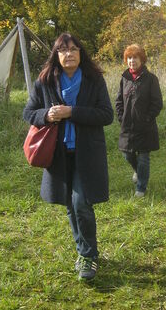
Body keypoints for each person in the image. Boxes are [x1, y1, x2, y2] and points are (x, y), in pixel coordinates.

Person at [23, 32, 113, 281]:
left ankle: (88, 255)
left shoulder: (94, 80)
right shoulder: (45, 81)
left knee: (81, 202)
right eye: (63, 50)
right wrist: (47, 115)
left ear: (80, 53)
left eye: (74, 49)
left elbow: (106, 115)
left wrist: (72, 112)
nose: (69, 54)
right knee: (70, 204)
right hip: (58, 155)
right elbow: (28, 112)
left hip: (87, 153)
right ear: (56, 55)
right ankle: (84, 251)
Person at [115, 44, 163, 197]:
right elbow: (118, 101)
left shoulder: (151, 79)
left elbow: (157, 103)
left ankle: (141, 188)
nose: (132, 61)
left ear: (141, 59)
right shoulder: (124, 78)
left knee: (143, 157)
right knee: (127, 154)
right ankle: (137, 171)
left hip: (145, 127)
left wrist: (147, 118)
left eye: (135, 57)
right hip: (127, 126)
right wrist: (121, 117)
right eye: (129, 58)